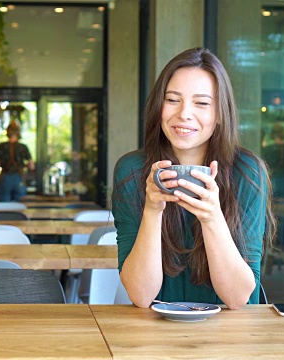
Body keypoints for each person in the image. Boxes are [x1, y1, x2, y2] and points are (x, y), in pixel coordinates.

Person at [112, 47, 275, 309]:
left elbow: (237, 298)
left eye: (201, 103)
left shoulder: (247, 172)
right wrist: (153, 209)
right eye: (172, 100)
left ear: (220, 113)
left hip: (232, 336)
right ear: (159, 107)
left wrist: (211, 217)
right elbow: (141, 296)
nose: (184, 113)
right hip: (156, 332)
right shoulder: (133, 170)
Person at [0, 121, 34, 202]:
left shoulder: (2, 146)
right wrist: (23, 165)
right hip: (18, 177)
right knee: (20, 205)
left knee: (4, 205)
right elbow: (31, 166)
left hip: (5, 177)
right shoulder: (23, 147)